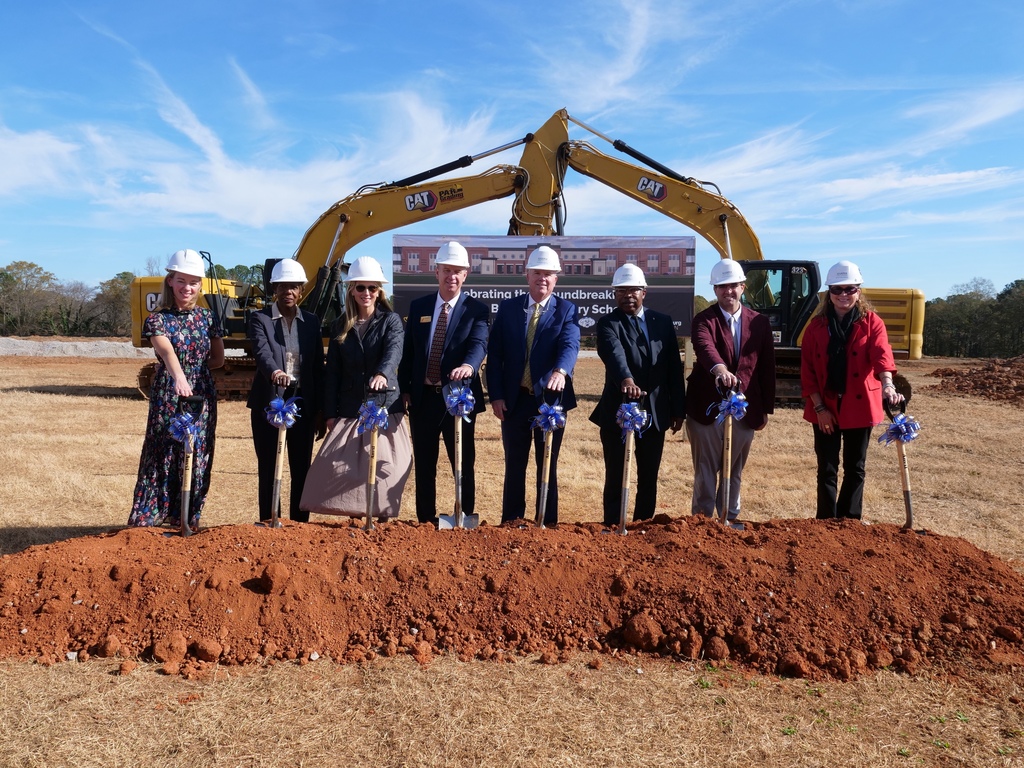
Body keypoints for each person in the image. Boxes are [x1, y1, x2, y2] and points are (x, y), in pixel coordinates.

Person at [300, 256, 411, 519]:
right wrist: (330, 413)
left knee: (385, 471)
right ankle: (356, 522)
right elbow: (333, 373)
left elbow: (394, 351)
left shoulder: (391, 321)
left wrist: (382, 373)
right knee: (347, 471)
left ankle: (381, 524)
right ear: (351, 290)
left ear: (379, 291)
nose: (367, 293)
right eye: (361, 287)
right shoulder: (341, 325)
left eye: (372, 288)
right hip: (351, 410)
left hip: (385, 408)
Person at [800, 260, 904, 520]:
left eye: (850, 289)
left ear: (859, 291)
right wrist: (820, 409)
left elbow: (882, 356)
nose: (843, 295)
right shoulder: (816, 327)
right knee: (827, 467)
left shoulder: (872, 323)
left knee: (855, 467)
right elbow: (808, 372)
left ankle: (849, 521)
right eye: (837, 290)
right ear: (829, 293)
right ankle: (825, 521)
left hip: (859, 405)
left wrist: (888, 385)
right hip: (825, 406)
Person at [129, 249, 225, 529]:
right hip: (170, 393)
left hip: (201, 394)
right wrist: (180, 378)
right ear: (170, 281)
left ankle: (187, 516)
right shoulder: (157, 320)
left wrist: (196, 373)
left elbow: (218, 359)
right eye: (181, 281)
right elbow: (167, 352)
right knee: (164, 451)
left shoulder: (208, 318)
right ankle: (152, 517)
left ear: (200, 285)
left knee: (197, 451)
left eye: (194, 282)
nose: (188, 287)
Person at [486, 245, 580, 525]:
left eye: (548, 274)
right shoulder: (508, 308)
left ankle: (546, 522)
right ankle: (512, 521)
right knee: (514, 465)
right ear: (527, 275)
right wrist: (496, 396)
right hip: (514, 402)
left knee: (547, 466)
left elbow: (570, 344)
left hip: (549, 403)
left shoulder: (567, 310)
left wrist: (561, 371)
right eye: (537, 272)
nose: (543, 278)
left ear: (556, 279)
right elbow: (496, 355)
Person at [398, 241, 489, 525]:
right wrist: (405, 389)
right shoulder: (419, 306)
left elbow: (478, 343)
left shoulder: (477, 309)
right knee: (425, 465)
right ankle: (426, 521)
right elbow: (408, 352)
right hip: (423, 400)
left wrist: (468, 366)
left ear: (466, 274)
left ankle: (464, 517)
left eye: (457, 271)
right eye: (446, 270)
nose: (451, 276)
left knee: (462, 464)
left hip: (458, 400)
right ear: (436, 272)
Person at [590, 264, 686, 526]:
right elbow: (613, 354)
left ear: (645, 292)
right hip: (617, 412)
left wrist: (678, 409)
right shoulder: (609, 323)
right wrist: (627, 380)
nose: (627, 295)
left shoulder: (663, 322)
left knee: (648, 476)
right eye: (621, 290)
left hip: (654, 414)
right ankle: (613, 525)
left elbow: (673, 369)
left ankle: (642, 526)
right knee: (616, 474)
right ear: (614, 294)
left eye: (633, 289)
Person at [686, 258, 775, 529]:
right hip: (706, 409)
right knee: (706, 469)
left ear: (743, 288)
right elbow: (704, 348)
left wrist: (766, 410)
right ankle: (703, 521)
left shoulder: (759, 322)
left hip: (745, 410)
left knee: (734, 470)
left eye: (734, 286)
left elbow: (766, 367)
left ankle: (730, 518)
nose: (729, 291)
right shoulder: (704, 320)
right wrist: (720, 370)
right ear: (715, 290)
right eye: (722, 286)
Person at [247, 258, 325, 524]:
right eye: (282, 287)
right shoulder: (260, 319)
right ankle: (270, 520)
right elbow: (262, 352)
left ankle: (299, 525)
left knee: (301, 468)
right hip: (270, 403)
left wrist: (320, 410)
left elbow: (316, 367)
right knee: (269, 467)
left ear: (301, 290)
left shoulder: (312, 322)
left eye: (293, 287)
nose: (288, 292)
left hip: (302, 403)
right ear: (274, 289)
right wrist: (275, 373)